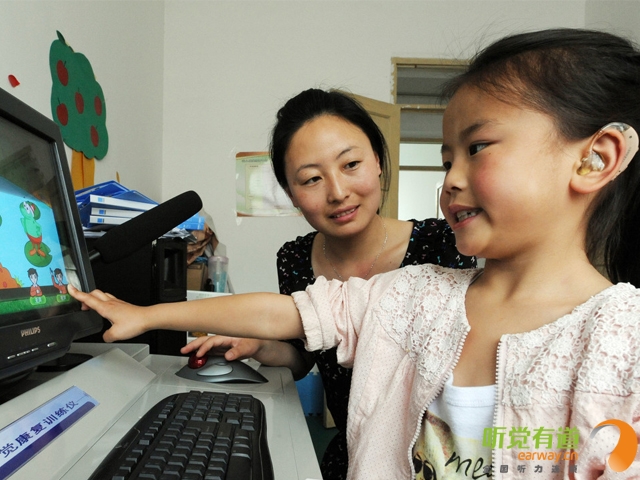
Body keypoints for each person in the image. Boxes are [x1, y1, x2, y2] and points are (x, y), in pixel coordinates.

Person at [71, 28, 640, 479]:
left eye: (478, 147)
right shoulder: (414, 293)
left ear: (596, 158)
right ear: (291, 192)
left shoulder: (619, 341)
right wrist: (147, 316)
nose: (451, 180)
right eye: (447, 160)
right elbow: (290, 318)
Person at [182, 88, 476, 479]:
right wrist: (259, 345)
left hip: (445, 463)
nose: (338, 193)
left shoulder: (441, 245)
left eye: (351, 164)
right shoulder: (294, 258)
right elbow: (303, 356)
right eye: (311, 179)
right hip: (352, 457)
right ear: (290, 194)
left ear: (378, 160)